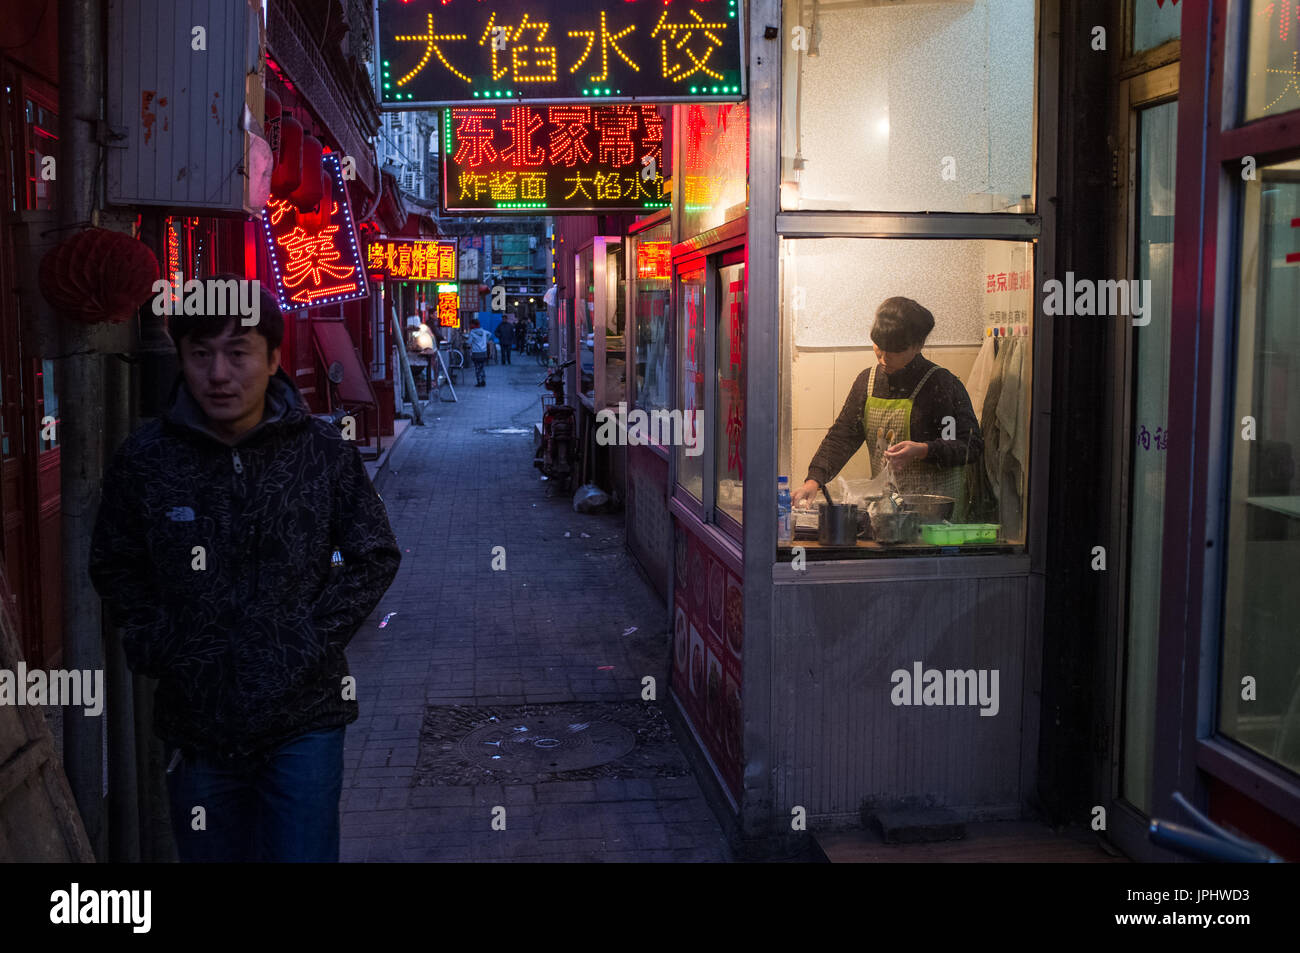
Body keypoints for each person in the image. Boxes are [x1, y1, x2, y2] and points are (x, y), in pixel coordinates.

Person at [88, 277, 401, 862]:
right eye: (201, 354)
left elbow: (374, 554)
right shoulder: (148, 458)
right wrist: (159, 640)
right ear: (182, 359)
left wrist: (310, 638)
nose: (220, 374)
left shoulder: (321, 452)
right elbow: (115, 561)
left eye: (238, 352)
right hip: (198, 723)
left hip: (303, 718)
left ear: (274, 357)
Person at [791, 296, 983, 515]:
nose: (883, 358)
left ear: (918, 346)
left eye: (894, 352)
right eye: (878, 347)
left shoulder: (941, 384)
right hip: (888, 516)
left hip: (935, 518)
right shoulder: (868, 381)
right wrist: (814, 480)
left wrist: (924, 450)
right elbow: (842, 436)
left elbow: (970, 445)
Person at [468, 317, 490, 386]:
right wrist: (486, 340)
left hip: (476, 353)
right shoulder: (483, 331)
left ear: (473, 325)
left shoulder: (472, 332)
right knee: (482, 367)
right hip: (483, 352)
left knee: (477, 368)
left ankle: (479, 382)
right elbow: (490, 334)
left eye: (471, 324)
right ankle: (483, 380)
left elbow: (469, 342)